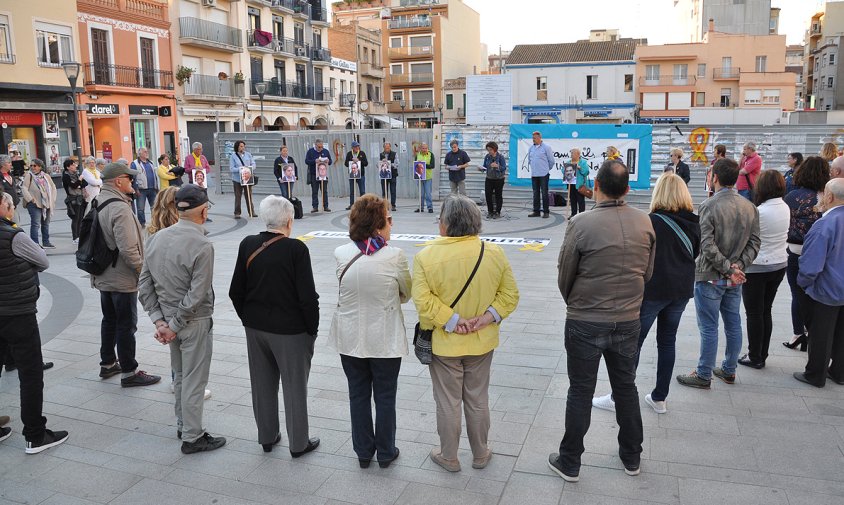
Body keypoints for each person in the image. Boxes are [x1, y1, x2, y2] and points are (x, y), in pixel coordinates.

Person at [549, 160, 655, 482]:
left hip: (585, 319)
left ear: (595, 186)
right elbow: (647, 274)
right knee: (626, 387)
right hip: (627, 318)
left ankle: (570, 461)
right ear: (627, 189)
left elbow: (564, 275)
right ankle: (631, 456)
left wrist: (577, 304)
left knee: (581, 390)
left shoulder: (581, 224)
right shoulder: (645, 223)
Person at [413, 194, 519, 473]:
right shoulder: (494, 253)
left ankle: (449, 456)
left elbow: (423, 302)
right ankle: (481, 452)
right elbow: (510, 295)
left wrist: (452, 320)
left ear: (445, 224)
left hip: (445, 344)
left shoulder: (426, 256)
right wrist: (486, 318)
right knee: (478, 397)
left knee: (448, 401)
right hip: (482, 341)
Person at [591, 173, 700, 415]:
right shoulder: (694, 221)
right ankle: (660, 398)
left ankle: (619, 396)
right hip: (681, 290)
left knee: (632, 344)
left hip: (654, 290)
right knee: (667, 342)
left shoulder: (651, 222)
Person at [229, 195, 321, 456]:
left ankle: (267, 437)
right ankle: (298, 443)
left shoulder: (247, 244)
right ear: (289, 221)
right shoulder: (296, 250)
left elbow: (236, 290)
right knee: (294, 387)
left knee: (262, 384)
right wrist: (311, 330)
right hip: (291, 331)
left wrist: (248, 318)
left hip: (256, 328)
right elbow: (307, 297)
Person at [139, 184, 225, 453]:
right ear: (203, 211)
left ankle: (183, 423)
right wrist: (173, 325)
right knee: (194, 380)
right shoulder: (202, 244)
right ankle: (192, 435)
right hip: (193, 322)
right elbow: (197, 294)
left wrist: (160, 322)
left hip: (168, 319)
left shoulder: (156, 238)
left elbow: (144, 284)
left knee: (180, 376)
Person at [329, 194, 411, 469]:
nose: (391, 223)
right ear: (378, 225)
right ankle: (386, 452)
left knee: (358, 394)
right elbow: (406, 293)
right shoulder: (395, 255)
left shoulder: (342, 252)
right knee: (386, 396)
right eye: (388, 218)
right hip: (384, 338)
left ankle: (364, 452)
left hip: (350, 337)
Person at [677, 158, 760, 389]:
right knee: (733, 323)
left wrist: (728, 268)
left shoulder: (708, 205)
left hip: (711, 275)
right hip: (735, 277)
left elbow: (707, 245)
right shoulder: (749, 206)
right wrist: (737, 268)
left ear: (715, 177)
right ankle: (728, 369)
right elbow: (755, 242)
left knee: (709, 327)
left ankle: (704, 373)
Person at [0, 192, 69, 454]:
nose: (11, 209)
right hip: (17, 312)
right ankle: (35, 435)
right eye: (8, 205)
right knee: (30, 374)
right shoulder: (13, 235)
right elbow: (43, 260)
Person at [92, 162, 161, 388]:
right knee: (125, 325)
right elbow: (129, 249)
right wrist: (144, 273)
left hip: (103, 273)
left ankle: (108, 363)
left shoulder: (97, 200)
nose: (132, 182)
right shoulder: (120, 207)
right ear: (118, 181)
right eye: (129, 178)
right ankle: (129, 372)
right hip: (121, 277)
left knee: (109, 320)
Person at [736, 170, 790, 369]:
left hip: (758, 267)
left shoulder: (760, 212)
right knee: (766, 310)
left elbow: (744, 239)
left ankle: (754, 355)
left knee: (754, 313)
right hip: (779, 264)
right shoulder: (784, 207)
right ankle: (762, 354)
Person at [794, 178, 844, 387]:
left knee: (821, 333)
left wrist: (804, 283)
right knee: (841, 332)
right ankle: (839, 372)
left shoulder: (825, 224)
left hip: (827, 289)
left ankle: (816, 373)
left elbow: (811, 264)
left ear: (830, 196)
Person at [783, 157, 829, 351]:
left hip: (795, 250)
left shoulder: (791, 196)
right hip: (821, 252)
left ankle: (798, 333)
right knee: (817, 296)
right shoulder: (828, 197)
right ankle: (814, 334)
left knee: (797, 294)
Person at [21, 159, 56, 248]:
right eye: (31, 166)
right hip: (34, 204)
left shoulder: (46, 176)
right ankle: (35, 244)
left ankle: (46, 242)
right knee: (35, 224)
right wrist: (30, 199)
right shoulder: (29, 176)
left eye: (35, 166)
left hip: (47, 203)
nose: (32, 167)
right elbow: (24, 188)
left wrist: (52, 199)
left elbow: (53, 187)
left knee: (46, 223)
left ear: (40, 167)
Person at [528, 131, 555, 218]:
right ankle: (536, 211)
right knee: (535, 193)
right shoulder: (531, 148)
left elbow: (551, 161)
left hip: (543, 174)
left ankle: (546, 212)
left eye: (535, 138)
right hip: (534, 174)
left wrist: (547, 169)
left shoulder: (546, 147)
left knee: (544, 193)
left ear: (540, 138)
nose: (533, 140)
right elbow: (530, 160)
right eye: (533, 138)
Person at [131, 147, 159, 227]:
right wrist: (136, 189)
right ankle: (142, 224)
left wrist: (156, 186)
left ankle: (155, 222)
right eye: (145, 152)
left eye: (147, 151)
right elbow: (133, 177)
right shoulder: (135, 163)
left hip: (152, 188)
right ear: (139, 154)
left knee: (154, 207)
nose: (147, 153)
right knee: (140, 208)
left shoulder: (151, 163)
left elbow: (154, 176)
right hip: (141, 189)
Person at [230, 140, 256, 219]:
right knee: (238, 196)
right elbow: (232, 168)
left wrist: (250, 168)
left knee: (249, 195)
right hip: (237, 179)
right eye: (241, 146)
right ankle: (237, 213)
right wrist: (241, 169)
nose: (242, 148)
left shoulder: (248, 154)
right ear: (237, 147)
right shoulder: (233, 156)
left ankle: (251, 211)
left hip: (247, 178)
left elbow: (253, 163)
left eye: (243, 146)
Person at [61, 158, 86, 244]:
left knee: (80, 218)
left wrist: (79, 183)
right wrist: (79, 181)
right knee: (75, 218)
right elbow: (74, 185)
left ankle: (79, 235)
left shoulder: (76, 174)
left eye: (74, 164)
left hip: (80, 197)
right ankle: (75, 237)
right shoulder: (66, 176)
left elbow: (84, 184)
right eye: (72, 165)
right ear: (68, 167)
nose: (75, 166)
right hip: (73, 199)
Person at [305, 139, 333, 213]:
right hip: (314, 174)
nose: (321, 149)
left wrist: (328, 161)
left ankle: (325, 206)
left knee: (324, 191)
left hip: (323, 174)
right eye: (319, 147)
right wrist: (314, 161)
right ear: (315, 145)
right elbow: (306, 161)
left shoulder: (325, 151)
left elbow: (330, 161)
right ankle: (315, 206)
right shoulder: (310, 151)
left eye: (322, 147)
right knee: (314, 191)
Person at [482, 141, 506, 218]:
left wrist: (497, 166)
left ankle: (497, 212)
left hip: (499, 179)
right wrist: (481, 169)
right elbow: (485, 166)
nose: (489, 151)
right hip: (489, 178)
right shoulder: (487, 157)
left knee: (498, 195)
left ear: (495, 149)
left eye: (490, 150)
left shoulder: (501, 157)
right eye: (488, 150)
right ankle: (490, 211)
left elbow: (504, 168)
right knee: (488, 195)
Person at [345, 141, 368, 210]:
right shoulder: (349, 154)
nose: (357, 148)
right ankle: (351, 204)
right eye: (355, 147)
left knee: (362, 191)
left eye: (358, 146)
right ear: (352, 148)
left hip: (361, 175)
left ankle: (363, 205)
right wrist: (351, 161)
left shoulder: (362, 153)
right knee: (352, 191)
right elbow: (346, 164)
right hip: (352, 175)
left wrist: (359, 160)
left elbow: (366, 163)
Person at [414, 143, 435, 213]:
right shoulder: (418, 155)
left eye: (426, 148)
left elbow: (432, 165)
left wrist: (424, 164)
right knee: (421, 193)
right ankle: (421, 207)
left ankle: (430, 207)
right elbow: (415, 165)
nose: (424, 150)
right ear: (421, 148)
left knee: (428, 193)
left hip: (428, 177)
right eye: (423, 148)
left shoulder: (431, 154)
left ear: (427, 148)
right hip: (420, 177)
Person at [568, 148, 590, 217]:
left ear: (578, 154)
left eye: (572, 153)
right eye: (571, 153)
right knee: (572, 200)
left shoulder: (583, 162)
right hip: (571, 183)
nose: (571, 155)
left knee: (580, 200)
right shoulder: (569, 162)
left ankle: (581, 215)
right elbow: (563, 170)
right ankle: (573, 214)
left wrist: (580, 168)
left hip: (580, 185)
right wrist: (567, 169)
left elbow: (586, 172)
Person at [380, 143, 398, 211]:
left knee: (393, 191)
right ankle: (385, 205)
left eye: (388, 147)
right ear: (383, 148)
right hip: (384, 176)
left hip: (393, 175)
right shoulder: (381, 154)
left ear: (390, 147)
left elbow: (397, 164)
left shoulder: (394, 154)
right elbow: (378, 164)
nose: (387, 149)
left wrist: (389, 163)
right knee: (384, 191)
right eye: (386, 148)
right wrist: (381, 162)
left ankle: (393, 205)